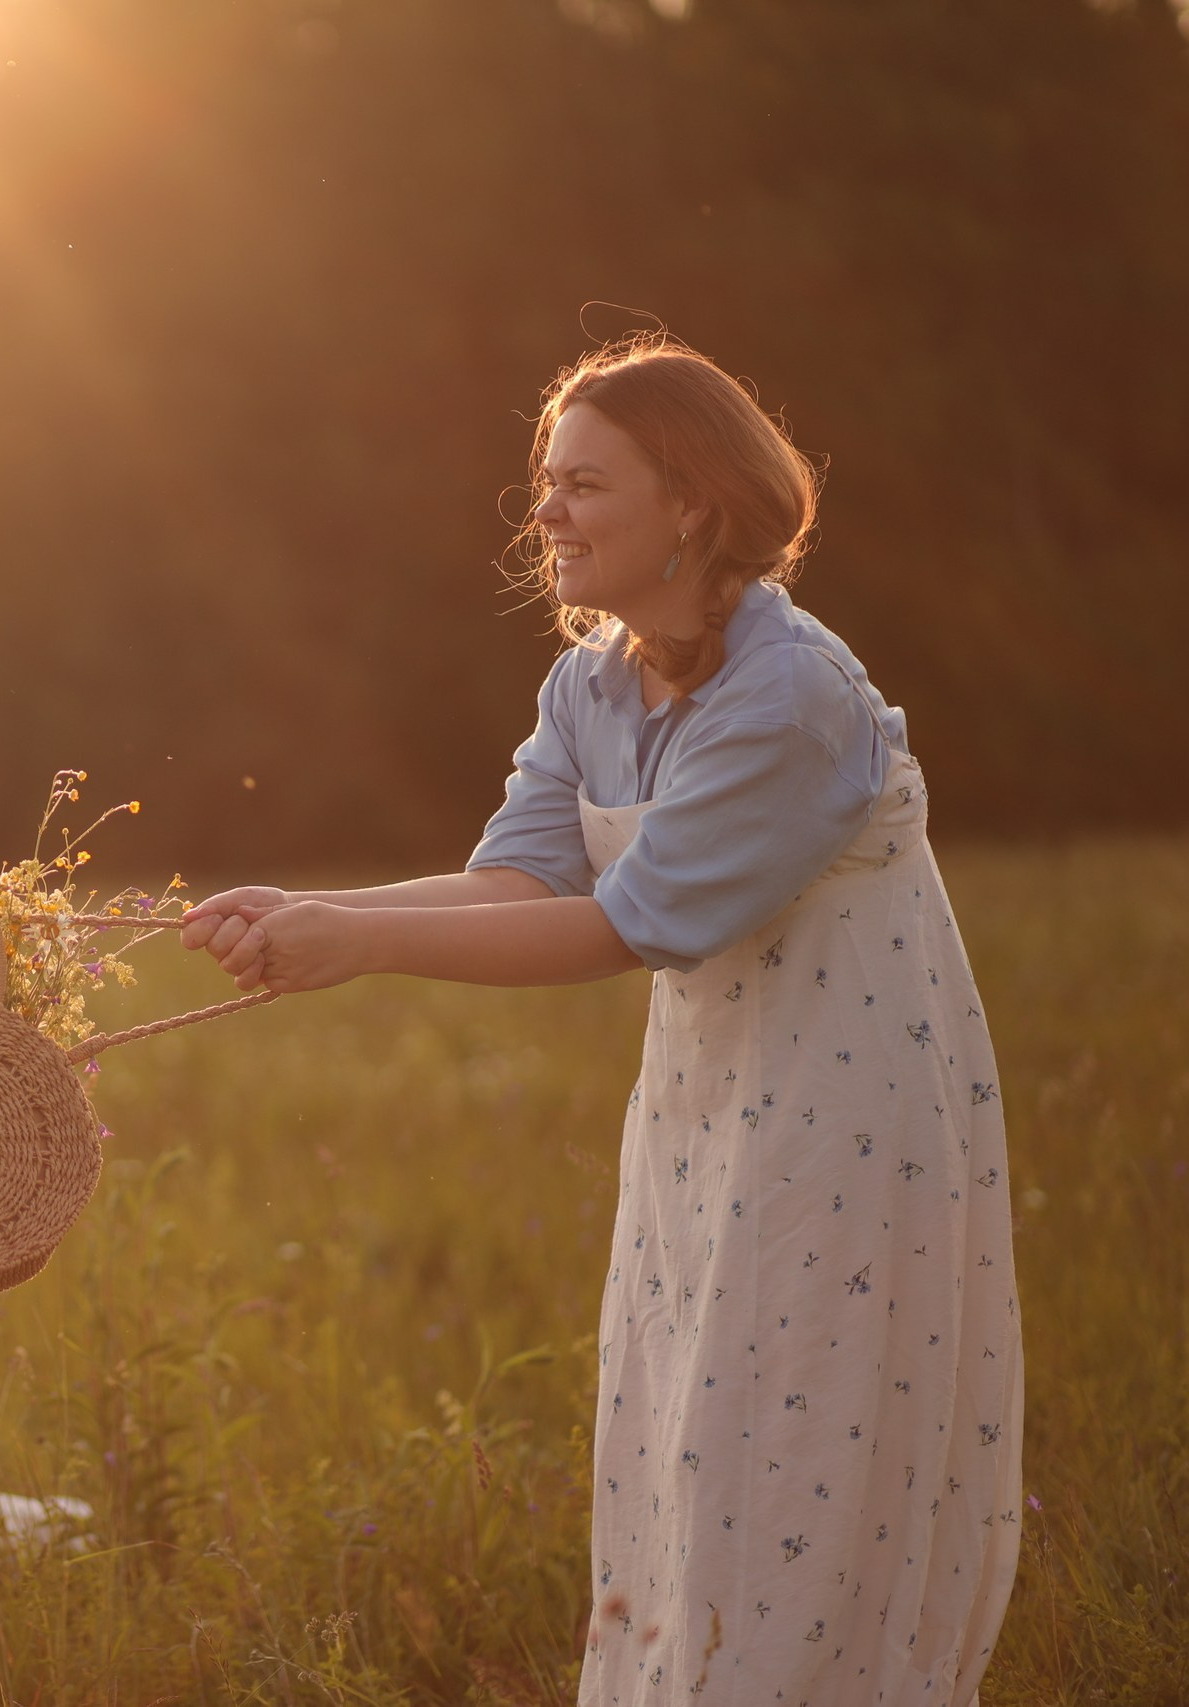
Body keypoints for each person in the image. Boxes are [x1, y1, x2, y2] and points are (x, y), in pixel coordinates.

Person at [181, 335, 1020, 1704]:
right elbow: (521, 874)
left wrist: (364, 948)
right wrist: (310, 906)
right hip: (705, 1111)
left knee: (791, 1445)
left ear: (688, 501)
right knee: (691, 1438)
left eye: (583, 484)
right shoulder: (589, 681)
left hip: (845, 1114)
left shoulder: (789, 694)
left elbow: (635, 925)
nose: (547, 514)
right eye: (546, 483)